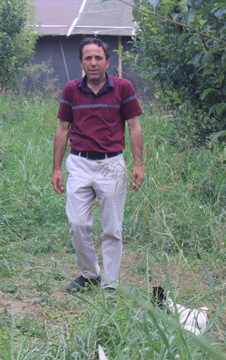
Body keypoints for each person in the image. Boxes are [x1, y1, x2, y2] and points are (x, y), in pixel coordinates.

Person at [52, 37, 144, 292]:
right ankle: (90, 274)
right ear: (81, 62)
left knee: (112, 228)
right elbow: (62, 128)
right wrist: (57, 168)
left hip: (112, 165)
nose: (93, 63)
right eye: (88, 58)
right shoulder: (72, 89)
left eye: (98, 58)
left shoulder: (122, 88)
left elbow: (134, 126)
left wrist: (138, 165)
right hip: (79, 163)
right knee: (77, 223)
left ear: (107, 62)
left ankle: (111, 283)